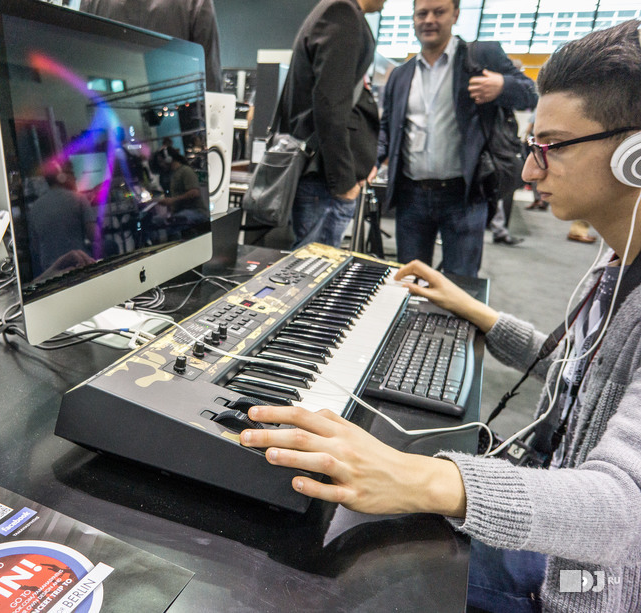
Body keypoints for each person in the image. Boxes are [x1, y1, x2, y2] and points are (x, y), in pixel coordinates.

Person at [241, 20, 641, 612]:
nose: (529, 172)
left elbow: (622, 509)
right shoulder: (616, 259)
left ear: (635, 158)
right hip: (555, 513)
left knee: (327, 570)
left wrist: (418, 478)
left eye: (551, 147)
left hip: (573, 577)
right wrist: (476, 311)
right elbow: (587, 370)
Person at [377, 0, 537, 276]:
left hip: (463, 195)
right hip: (411, 195)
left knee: (461, 282)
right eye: (422, 13)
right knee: (409, 279)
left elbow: (531, 94)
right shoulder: (401, 75)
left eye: (439, 12)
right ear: (413, 18)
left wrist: (502, 86)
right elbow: (387, 127)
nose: (429, 20)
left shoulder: (481, 57)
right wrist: (374, 159)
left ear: (456, 14)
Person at [280, 0, 386, 250]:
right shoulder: (342, 13)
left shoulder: (339, 12)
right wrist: (344, 183)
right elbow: (330, 107)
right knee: (316, 266)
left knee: (313, 263)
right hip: (325, 181)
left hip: (323, 179)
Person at [79, 0, 223, 92]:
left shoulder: (92, 2)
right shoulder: (196, 3)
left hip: (106, 114)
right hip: (176, 119)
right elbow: (211, 82)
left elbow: (78, 64)